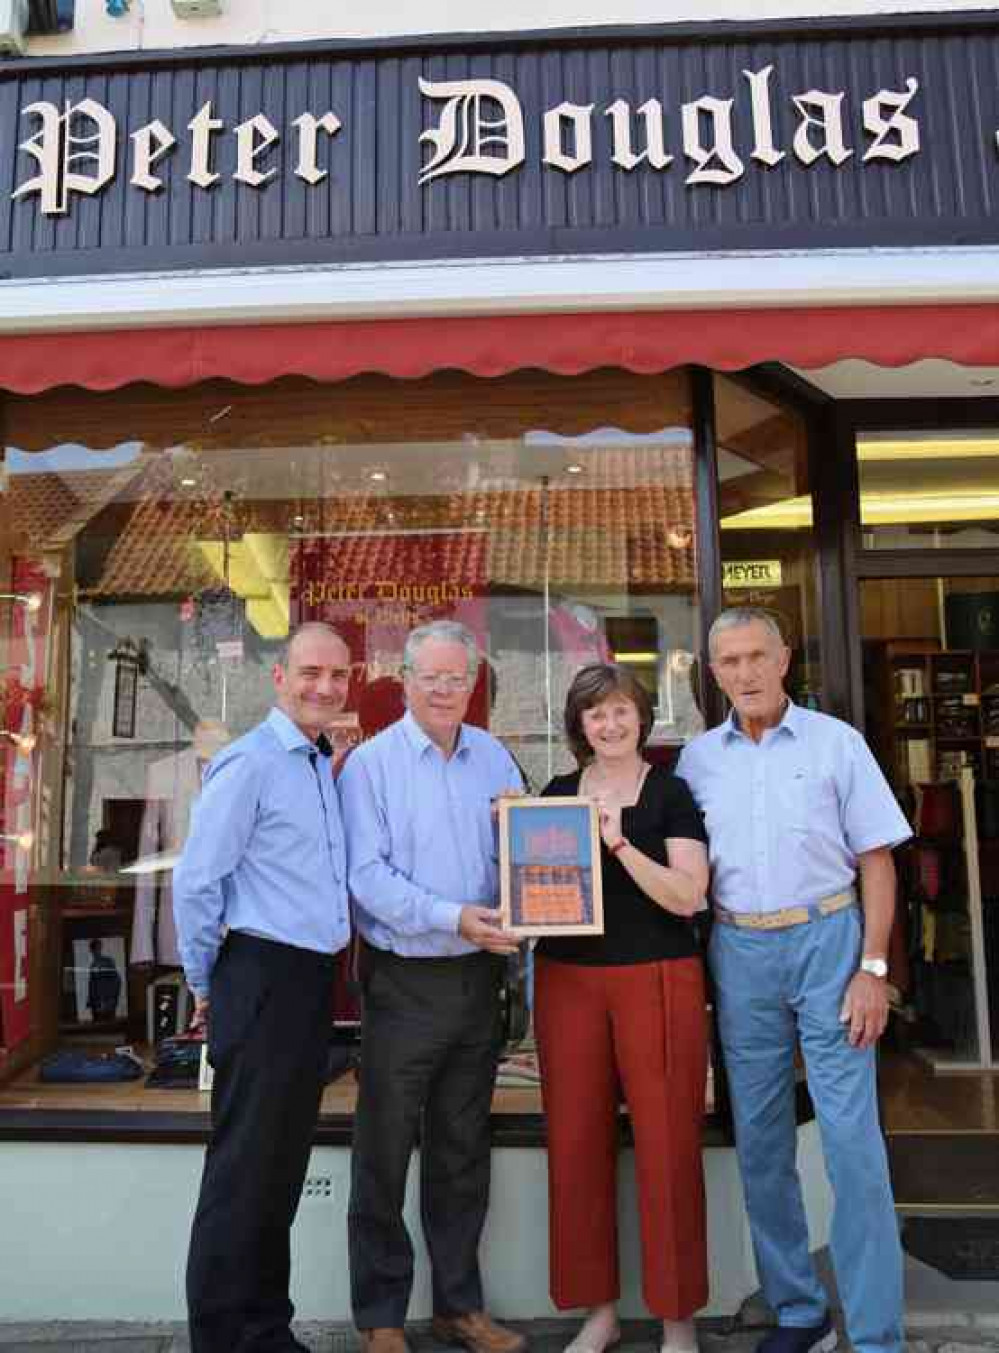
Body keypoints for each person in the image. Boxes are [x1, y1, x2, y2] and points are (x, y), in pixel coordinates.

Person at [676, 607, 912, 1353]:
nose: (743, 672)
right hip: (739, 950)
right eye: (728, 661)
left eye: (755, 656)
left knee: (850, 1143)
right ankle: (797, 1310)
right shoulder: (695, 761)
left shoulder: (835, 743)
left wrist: (872, 969)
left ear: (783, 659)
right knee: (762, 1141)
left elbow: (877, 859)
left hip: (828, 942)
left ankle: (875, 1334)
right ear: (711, 673)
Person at [339, 619, 526, 1353]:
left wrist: (529, 904)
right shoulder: (371, 766)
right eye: (431, 677)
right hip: (403, 980)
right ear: (404, 680)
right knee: (383, 1149)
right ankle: (381, 1316)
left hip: (477, 977)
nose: (446, 690)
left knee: (460, 1147)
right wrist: (455, 916)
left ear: (472, 682)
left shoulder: (495, 759)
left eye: (458, 678)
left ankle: (459, 1305)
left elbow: (525, 852)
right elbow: (367, 880)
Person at [172, 622, 352, 1353]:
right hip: (260, 973)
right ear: (279, 677)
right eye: (310, 672)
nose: (324, 686)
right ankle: (223, 1337)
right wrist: (203, 979)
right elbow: (197, 881)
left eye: (337, 675)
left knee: (279, 1169)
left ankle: (265, 1327)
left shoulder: (316, 761)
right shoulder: (249, 763)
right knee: (244, 1169)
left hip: (308, 980)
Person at [534, 663, 710, 1353]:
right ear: (578, 725)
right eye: (594, 713)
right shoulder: (552, 793)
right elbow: (536, 888)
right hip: (566, 978)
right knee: (575, 1145)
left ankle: (676, 1319)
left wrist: (615, 840)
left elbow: (686, 895)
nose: (608, 724)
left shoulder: (669, 792)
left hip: (657, 976)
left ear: (642, 717)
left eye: (620, 711)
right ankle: (599, 1312)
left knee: (667, 1145)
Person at [86, 937, 122, 1021]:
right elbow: (92, 985)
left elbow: (117, 980)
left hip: (107, 1002)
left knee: (109, 1025)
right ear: (92, 950)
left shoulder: (107, 961)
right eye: (95, 949)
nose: (97, 951)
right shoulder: (93, 965)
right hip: (97, 1003)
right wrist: (91, 1002)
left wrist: (112, 1000)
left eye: (98, 948)